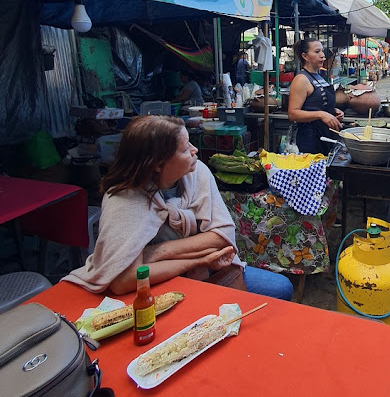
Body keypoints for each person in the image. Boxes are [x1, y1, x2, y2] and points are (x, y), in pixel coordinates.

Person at [64, 116, 293, 300]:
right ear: (156, 164)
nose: (194, 151)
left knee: (281, 287)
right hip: (156, 283)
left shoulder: (197, 172)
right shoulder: (123, 199)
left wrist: (155, 253)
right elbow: (123, 281)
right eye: (185, 149)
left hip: (200, 272)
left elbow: (221, 238)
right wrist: (199, 259)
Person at [288, 39, 344, 155]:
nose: (322, 55)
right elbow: (293, 113)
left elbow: (314, 104)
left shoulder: (318, 76)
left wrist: (332, 111)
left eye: (322, 51)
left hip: (324, 136)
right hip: (310, 139)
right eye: (317, 52)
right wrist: (321, 114)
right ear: (305, 56)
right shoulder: (301, 79)